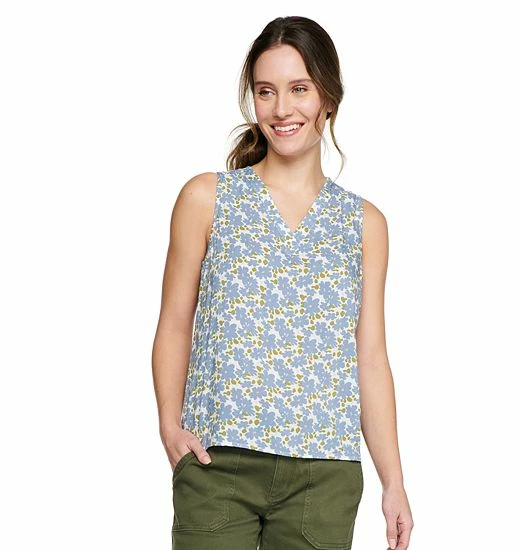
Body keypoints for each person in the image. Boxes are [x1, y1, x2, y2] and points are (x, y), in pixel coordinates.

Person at [152, 15, 414, 550]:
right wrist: (169, 428)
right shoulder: (207, 199)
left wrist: (394, 481)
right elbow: (175, 324)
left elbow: (370, 358)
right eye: (266, 91)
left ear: (328, 98)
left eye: (299, 89)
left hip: (325, 475)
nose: (281, 109)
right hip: (218, 463)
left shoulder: (364, 225)